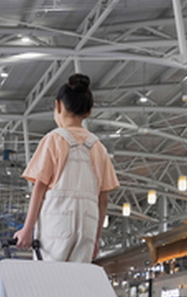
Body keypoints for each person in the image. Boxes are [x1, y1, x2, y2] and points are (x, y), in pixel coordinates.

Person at [13, 75, 117, 262]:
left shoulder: (53, 139)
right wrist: (95, 239)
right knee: (76, 278)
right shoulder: (99, 148)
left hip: (57, 221)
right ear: (88, 113)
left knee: (49, 276)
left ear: (58, 106)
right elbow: (103, 200)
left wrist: (27, 229)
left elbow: (39, 188)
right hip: (88, 224)